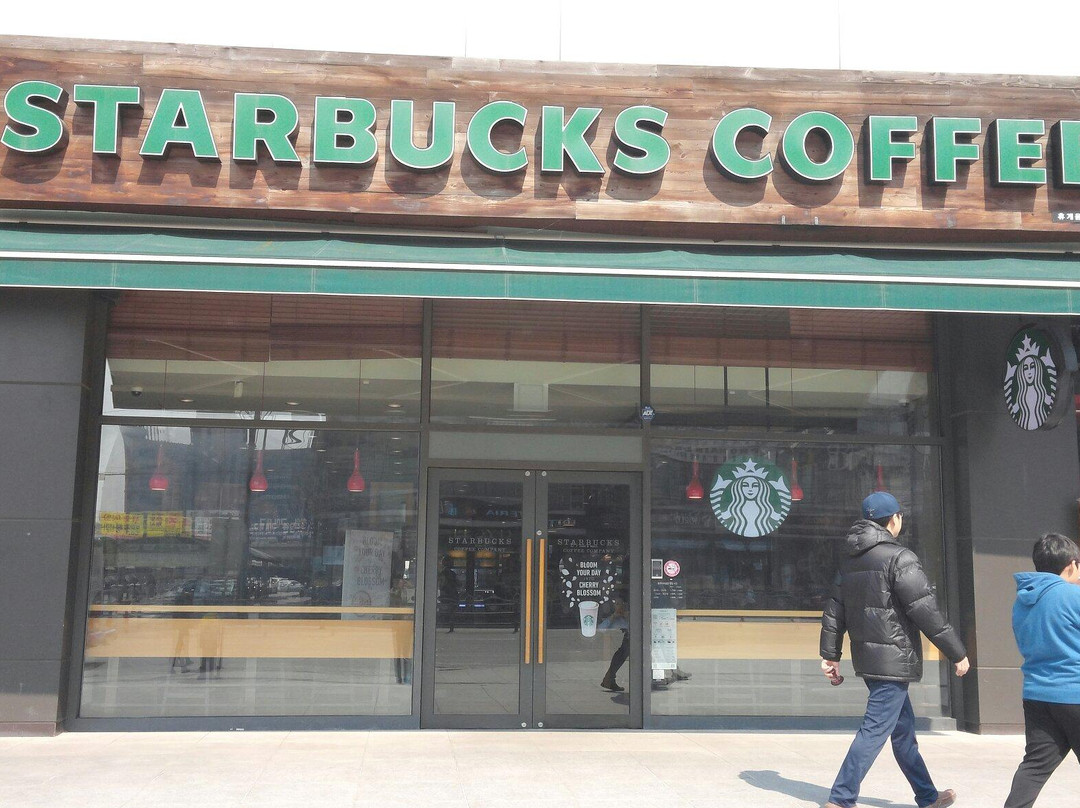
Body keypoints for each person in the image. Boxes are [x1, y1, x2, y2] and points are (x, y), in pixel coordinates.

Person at [819, 491, 971, 808]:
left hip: (869, 658)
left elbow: (835, 609)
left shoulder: (850, 560)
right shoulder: (900, 558)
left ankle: (927, 796)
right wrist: (956, 652)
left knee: (902, 733)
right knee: (874, 731)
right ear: (894, 519)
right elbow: (925, 611)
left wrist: (831, 654)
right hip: (893, 660)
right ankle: (841, 798)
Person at [1002, 533, 1080, 808]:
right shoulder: (1073, 595)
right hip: (1074, 693)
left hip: (1037, 696)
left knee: (1034, 768)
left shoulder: (1023, 601)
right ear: (1072, 564)